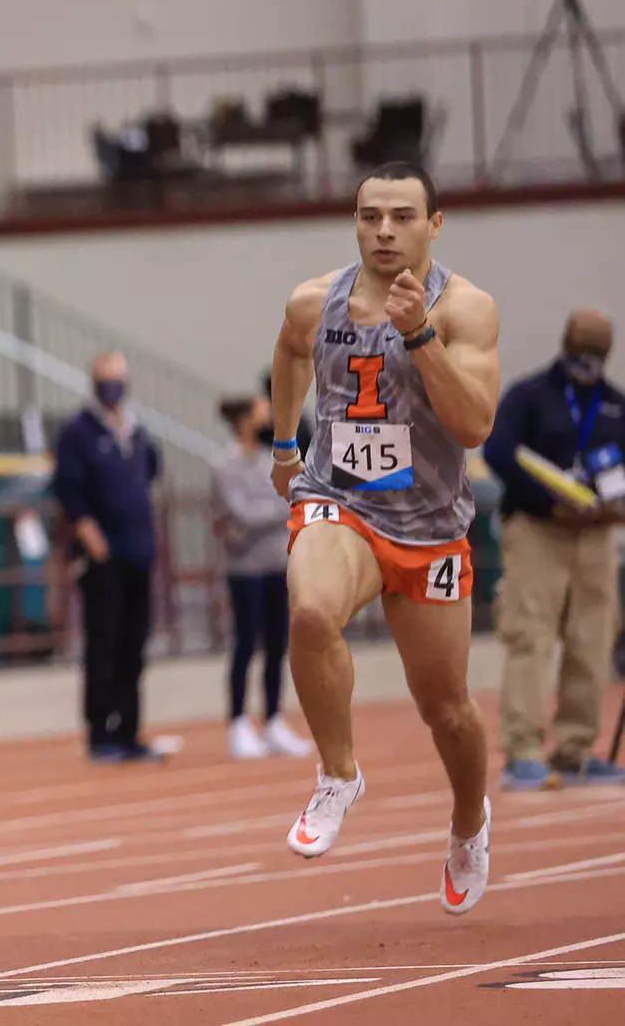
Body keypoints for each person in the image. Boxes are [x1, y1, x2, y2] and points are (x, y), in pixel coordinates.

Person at [268, 161, 500, 915]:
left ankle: (469, 823)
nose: (385, 231)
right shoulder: (315, 300)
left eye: (403, 216)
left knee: (449, 712)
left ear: (435, 224)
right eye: (370, 216)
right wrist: (282, 446)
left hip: (429, 525)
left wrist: (419, 335)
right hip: (341, 500)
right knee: (308, 613)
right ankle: (339, 773)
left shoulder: (466, 310)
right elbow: (291, 350)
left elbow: (473, 426)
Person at [482, 308, 625, 790]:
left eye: (598, 351)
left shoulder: (615, 404)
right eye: (583, 347)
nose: (589, 359)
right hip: (538, 531)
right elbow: (498, 452)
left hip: (596, 536)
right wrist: (548, 501)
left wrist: (614, 510)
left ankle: (576, 748)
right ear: (566, 342)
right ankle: (522, 749)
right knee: (532, 636)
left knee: (593, 640)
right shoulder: (530, 396)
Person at [52, 351, 164, 763]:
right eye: (105, 378)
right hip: (103, 555)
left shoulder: (136, 431)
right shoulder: (79, 432)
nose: (112, 386)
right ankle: (101, 732)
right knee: (104, 643)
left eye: (118, 378)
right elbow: (68, 489)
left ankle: (130, 729)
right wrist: (89, 533)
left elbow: (151, 473)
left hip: (138, 549)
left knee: (135, 643)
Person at [210, 394, 312, 760]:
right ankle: (238, 721)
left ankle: (273, 720)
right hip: (245, 568)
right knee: (245, 643)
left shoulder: (274, 459)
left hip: (277, 564)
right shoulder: (224, 465)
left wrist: (278, 503)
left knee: (276, 643)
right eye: (262, 415)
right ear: (244, 422)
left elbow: (294, 494)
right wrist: (279, 505)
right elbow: (242, 514)